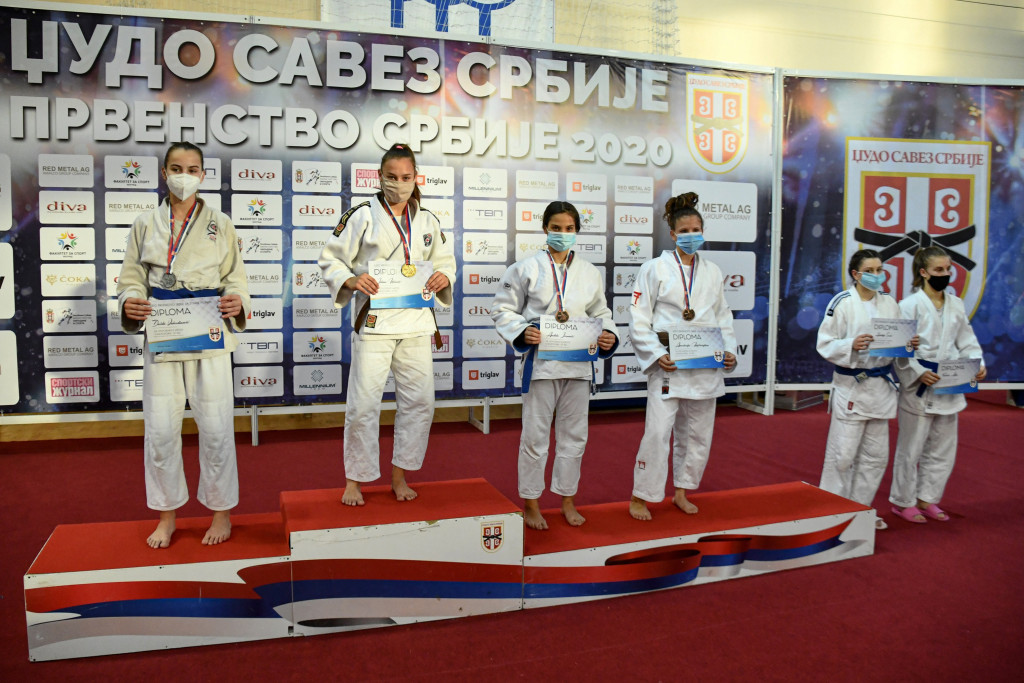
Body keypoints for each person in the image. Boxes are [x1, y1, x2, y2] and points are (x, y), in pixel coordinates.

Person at [117, 141, 250, 548]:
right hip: (164, 331)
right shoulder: (145, 223)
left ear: (203, 175)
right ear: (164, 173)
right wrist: (131, 301)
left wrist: (237, 300)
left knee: (216, 427)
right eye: (176, 168)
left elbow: (236, 277)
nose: (184, 176)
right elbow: (131, 278)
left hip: (209, 331)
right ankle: (166, 515)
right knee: (160, 430)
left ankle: (221, 511)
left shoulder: (221, 223)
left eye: (192, 169)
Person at [319, 144, 456, 506]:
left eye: (406, 177)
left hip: (416, 321)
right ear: (379, 177)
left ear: (416, 178)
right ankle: (355, 479)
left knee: (420, 402)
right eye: (392, 177)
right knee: (363, 403)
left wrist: (444, 276)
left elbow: (445, 261)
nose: (399, 183)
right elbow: (331, 259)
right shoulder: (361, 215)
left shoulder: (427, 219)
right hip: (376, 321)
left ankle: (400, 474)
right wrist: (351, 280)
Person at [491, 201, 619, 530]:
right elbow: (502, 309)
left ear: (577, 231)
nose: (563, 234)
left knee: (575, 436)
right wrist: (522, 330)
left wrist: (608, 333)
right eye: (556, 228)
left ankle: (567, 499)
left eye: (569, 228)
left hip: (578, 366)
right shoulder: (525, 268)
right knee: (535, 437)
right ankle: (531, 502)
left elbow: (601, 312)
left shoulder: (589, 272)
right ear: (545, 229)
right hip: (542, 365)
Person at [628, 192, 737, 521]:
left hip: (704, 363)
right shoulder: (654, 269)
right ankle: (641, 495)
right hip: (670, 363)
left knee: (698, 434)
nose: (691, 235)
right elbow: (639, 318)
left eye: (696, 230)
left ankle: (682, 491)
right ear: (673, 235)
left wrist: (729, 350)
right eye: (685, 231)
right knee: (658, 431)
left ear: (703, 232)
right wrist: (656, 353)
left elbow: (723, 315)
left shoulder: (713, 271)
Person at [816, 248, 917, 530]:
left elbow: (897, 346)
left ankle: (860, 512)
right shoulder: (842, 302)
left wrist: (908, 345)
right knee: (842, 455)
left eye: (879, 270)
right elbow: (824, 343)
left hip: (880, 387)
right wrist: (850, 344)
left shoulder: (890, 303)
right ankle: (831, 513)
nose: (876, 275)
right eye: (869, 271)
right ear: (856, 274)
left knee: (875, 457)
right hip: (852, 385)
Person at [889, 246, 986, 523]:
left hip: (951, 382)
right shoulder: (909, 305)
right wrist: (918, 371)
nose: (945, 274)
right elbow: (900, 349)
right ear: (923, 272)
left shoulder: (956, 304)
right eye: (939, 270)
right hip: (920, 386)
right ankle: (903, 501)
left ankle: (928, 499)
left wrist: (977, 363)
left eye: (948, 269)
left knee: (942, 448)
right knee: (911, 449)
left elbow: (967, 340)